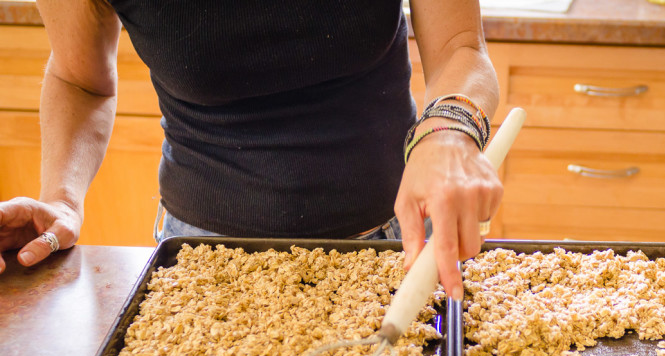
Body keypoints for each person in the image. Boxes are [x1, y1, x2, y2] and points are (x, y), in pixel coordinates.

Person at [0, 0, 502, 302]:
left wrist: (449, 129)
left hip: (397, 241)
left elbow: (461, 48)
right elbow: (78, 78)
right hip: (205, 261)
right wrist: (63, 199)